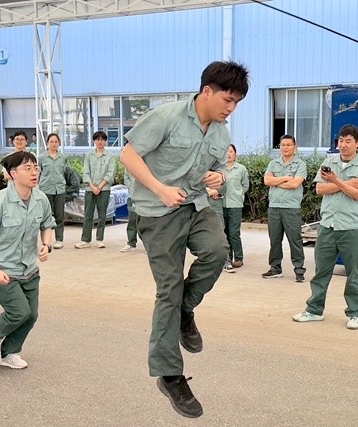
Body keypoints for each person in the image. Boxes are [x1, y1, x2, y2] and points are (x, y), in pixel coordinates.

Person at [121, 60, 249, 418]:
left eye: (237, 102)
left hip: (195, 205)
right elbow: (128, 154)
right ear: (207, 91)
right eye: (227, 99)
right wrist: (160, 188)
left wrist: (219, 178)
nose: (231, 108)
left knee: (218, 251)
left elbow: (219, 170)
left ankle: (185, 311)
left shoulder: (221, 132)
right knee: (169, 289)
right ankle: (170, 375)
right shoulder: (166, 117)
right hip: (157, 211)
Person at [0, 152, 56, 369]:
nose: (34, 172)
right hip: (3, 269)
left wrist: (46, 244)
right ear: (13, 174)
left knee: (31, 315)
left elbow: (47, 223)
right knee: (19, 311)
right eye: (27, 168)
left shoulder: (40, 199)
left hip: (29, 269)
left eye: (36, 168)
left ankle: (8, 352)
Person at [292, 124, 358, 330]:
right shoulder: (329, 162)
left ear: (357, 144)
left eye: (348, 141)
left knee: (353, 273)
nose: (343, 145)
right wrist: (346, 184)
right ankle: (314, 310)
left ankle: (354, 313)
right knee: (321, 271)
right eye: (340, 141)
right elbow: (320, 189)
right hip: (328, 225)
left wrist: (336, 181)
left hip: (351, 227)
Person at [261, 135, 306, 281]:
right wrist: (286, 178)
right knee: (274, 240)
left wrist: (276, 181)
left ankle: (299, 270)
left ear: (294, 146)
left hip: (291, 208)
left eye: (288, 145)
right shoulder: (273, 163)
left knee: (295, 240)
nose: (285, 147)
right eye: (282, 145)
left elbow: (295, 184)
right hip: (274, 207)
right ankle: (275, 268)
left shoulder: (300, 164)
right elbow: (267, 180)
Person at [74, 131, 115, 249]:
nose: (100, 142)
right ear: (94, 141)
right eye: (97, 139)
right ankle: (85, 240)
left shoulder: (110, 155)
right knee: (88, 214)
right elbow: (86, 172)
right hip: (90, 189)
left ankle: (99, 239)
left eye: (102, 139)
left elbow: (110, 173)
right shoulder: (89, 155)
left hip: (104, 189)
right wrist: (92, 187)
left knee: (102, 215)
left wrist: (100, 186)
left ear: (105, 141)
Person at [222, 144, 249, 272]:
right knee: (224, 233)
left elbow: (245, 185)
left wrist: (238, 194)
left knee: (234, 233)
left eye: (231, 151)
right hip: (221, 204)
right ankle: (227, 258)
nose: (228, 154)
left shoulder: (241, 169)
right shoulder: (219, 169)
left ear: (235, 153)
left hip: (235, 205)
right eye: (226, 152)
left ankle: (238, 258)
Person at [38, 133, 67, 249]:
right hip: (46, 189)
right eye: (51, 142)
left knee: (59, 215)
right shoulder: (41, 158)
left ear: (59, 143)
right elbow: (38, 173)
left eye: (56, 142)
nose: (54, 144)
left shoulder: (63, 158)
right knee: (47, 216)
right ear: (47, 143)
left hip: (60, 189)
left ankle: (59, 239)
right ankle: (46, 241)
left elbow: (63, 172)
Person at [121, 166, 139, 253]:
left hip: (146, 196)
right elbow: (126, 178)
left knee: (148, 221)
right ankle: (131, 243)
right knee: (132, 221)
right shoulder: (129, 163)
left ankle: (150, 245)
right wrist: (132, 188)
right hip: (131, 196)